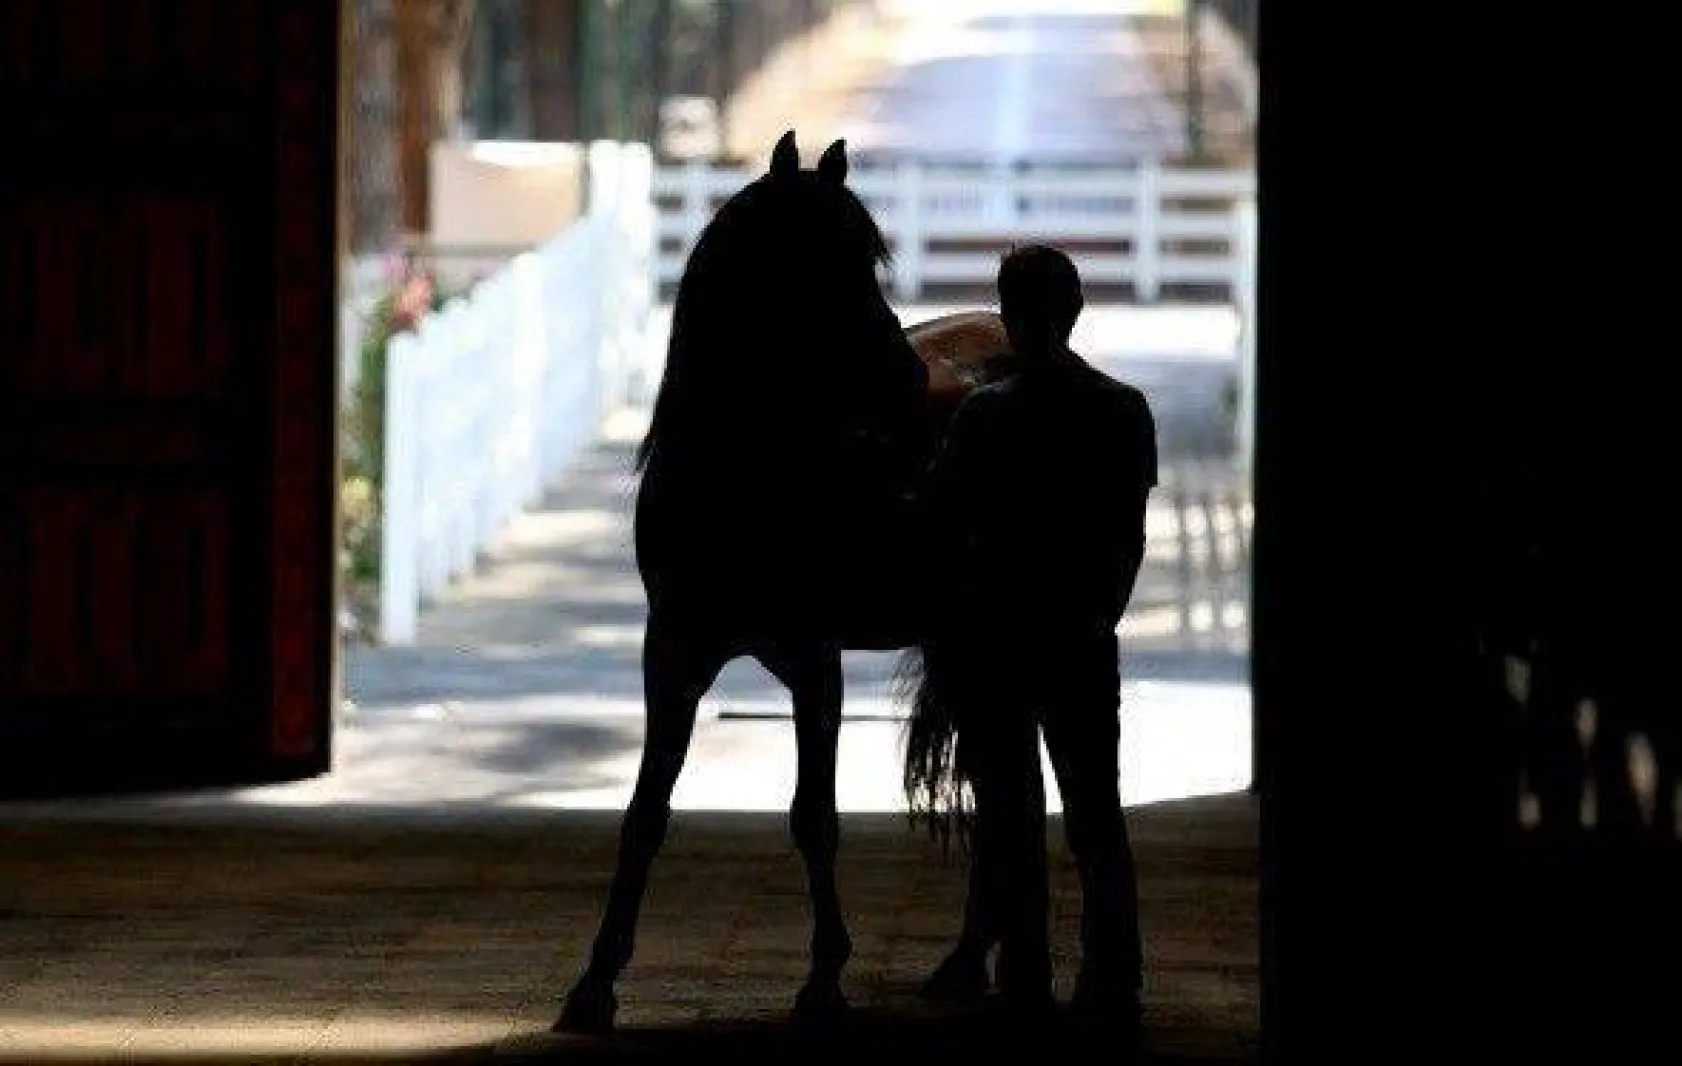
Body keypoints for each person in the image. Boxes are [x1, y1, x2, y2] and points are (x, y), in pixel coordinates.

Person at [914, 244, 1158, 1022]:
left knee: (1013, 817)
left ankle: (1025, 972)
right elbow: (1128, 540)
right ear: (1077, 310)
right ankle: (1114, 973)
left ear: (1011, 320)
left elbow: (938, 521)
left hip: (999, 649)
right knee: (1097, 814)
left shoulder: (985, 416)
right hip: (1082, 640)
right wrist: (1094, 617)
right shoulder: (1125, 411)